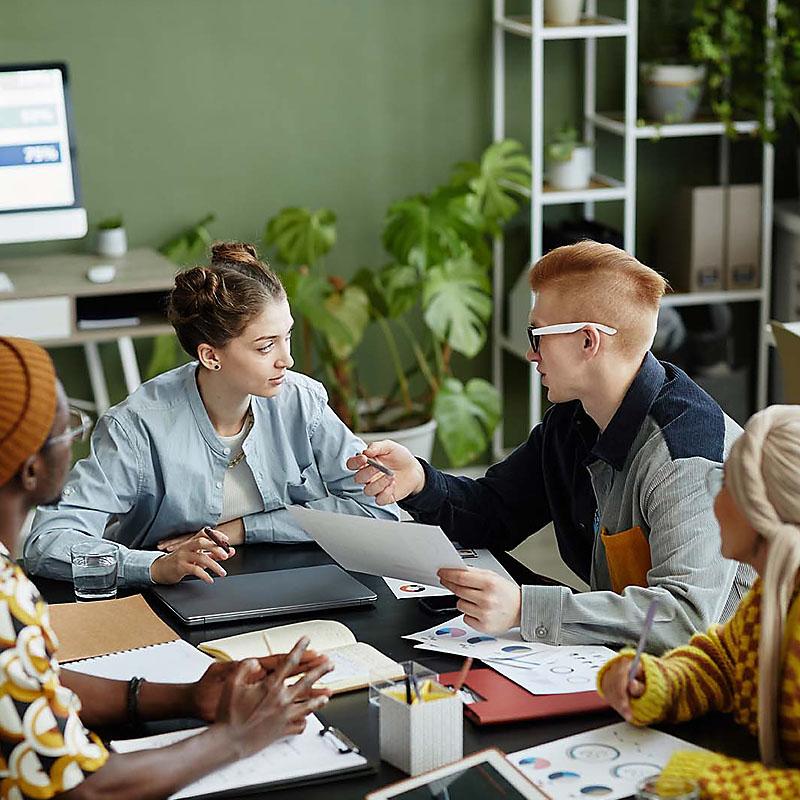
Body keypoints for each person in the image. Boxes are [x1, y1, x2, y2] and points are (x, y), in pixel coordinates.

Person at [348, 241, 753, 650]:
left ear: (588, 342)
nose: (530, 353)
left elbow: (684, 620)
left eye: (536, 335)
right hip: (639, 666)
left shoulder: (683, 457)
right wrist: (419, 481)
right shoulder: (575, 420)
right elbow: (495, 510)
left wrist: (527, 609)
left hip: (733, 679)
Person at [0, 335, 333, 799]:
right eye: (68, 429)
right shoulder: (4, 599)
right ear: (31, 470)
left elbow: (29, 683)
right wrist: (237, 736)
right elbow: (81, 790)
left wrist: (189, 696)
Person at [24, 242, 400, 588]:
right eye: (265, 346)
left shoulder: (302, 400)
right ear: (210, 356)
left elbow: (379, 511)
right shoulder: (137, 426)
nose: (287, 359)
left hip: (302, 581)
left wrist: (245, 529)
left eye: (286, 336)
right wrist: (153, 566)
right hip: (182, 596)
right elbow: (48, 541)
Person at [599, 406, 800, 798]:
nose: (713, 501)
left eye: (724, 483)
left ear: (757, 509)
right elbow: (726, 663)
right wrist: (659, 682)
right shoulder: (773, 593)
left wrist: (707, 780)